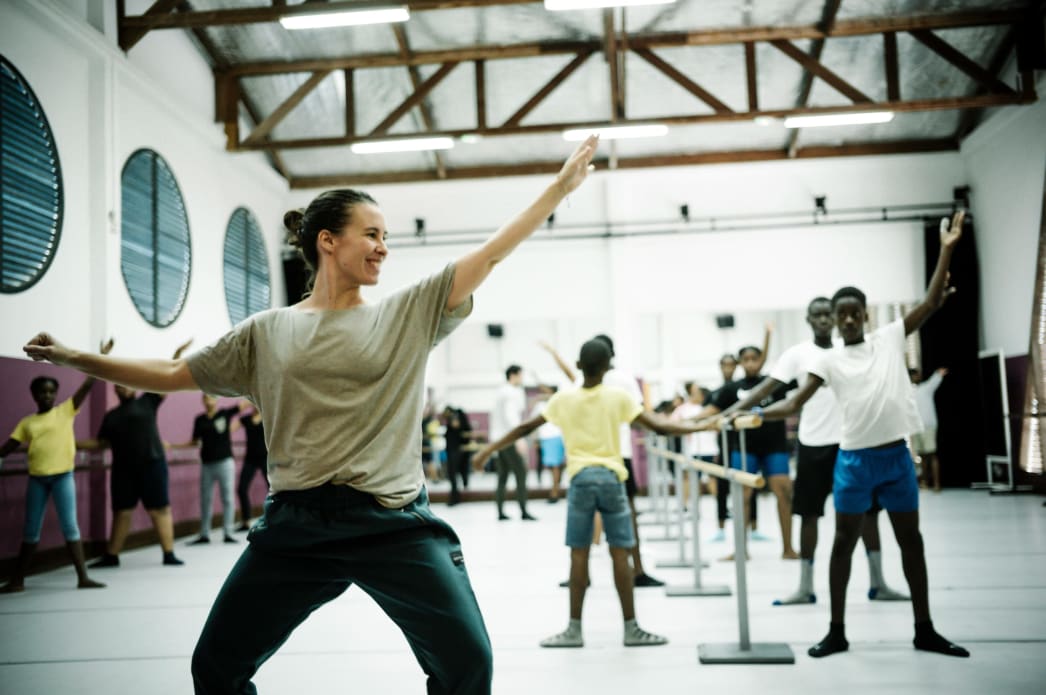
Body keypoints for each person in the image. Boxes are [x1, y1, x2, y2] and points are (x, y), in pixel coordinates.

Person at [21, 134, 599, 693]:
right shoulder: (269, 332)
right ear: (327, 241)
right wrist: (76, 358)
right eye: (370, 234)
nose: (383, 246)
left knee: (469, 662)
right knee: (214, 666)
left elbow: (492, 253)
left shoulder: (406, 313)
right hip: (298, 525)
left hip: (393, 523)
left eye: (386, 236)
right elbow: (174, 376)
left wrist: (556, 188)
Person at [733, 212, 970, 659]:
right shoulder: (828, 360)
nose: (845, 320)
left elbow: (933, 300)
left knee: (910, 541)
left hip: (896, 458)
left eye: (852, 313)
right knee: (842, 542)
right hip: (854, 462)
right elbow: (792, 403)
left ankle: (925, 628)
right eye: (839, 315)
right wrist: (751, 414)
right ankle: (836, 631)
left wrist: (947, 248)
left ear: (864, 314)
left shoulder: (889, 337)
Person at [472, 339, 717, 648]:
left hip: (580, 481)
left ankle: (573, 630)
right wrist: (703, 426)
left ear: (577, 366)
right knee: (620, 553)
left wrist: (487, 450)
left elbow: (523, 429)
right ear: (607, 367)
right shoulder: (619, 397)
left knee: (578, 553)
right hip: (612, 480)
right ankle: (632, 628)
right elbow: (660, 426)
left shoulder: (563, 399)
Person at [722, 298, 906, 604]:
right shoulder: (798, 354)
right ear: (808, 319)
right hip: (813, 446)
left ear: (834, 319)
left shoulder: (847, 349)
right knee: (809, 515)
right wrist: (728, 413)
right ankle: (806, 587)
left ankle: (878, 582)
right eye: (817, 315)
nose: (823, 320)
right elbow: (764, 390)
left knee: (868, 514)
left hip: (851, 443)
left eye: (827, 315)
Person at [541, 336, 663, 587]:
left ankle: (583, 575)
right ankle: (636, 569)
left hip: (597, 458)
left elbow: (572, 379)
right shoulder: (623, 379)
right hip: (618, 456)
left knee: (583, 523)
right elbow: (641, 416)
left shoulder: (589, 379)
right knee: (627, 516)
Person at [0, 339, 113, 592]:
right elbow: (7, 447)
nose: (47, 395)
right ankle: (17, 581)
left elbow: (87, 385)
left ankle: (83, 577)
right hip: (37, 479)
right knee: (30, 529)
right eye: (43, 392)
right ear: (34, 395)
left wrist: (102, 357)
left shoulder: (65, 411)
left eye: (51, 391)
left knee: (70, 526)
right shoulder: (27, 423)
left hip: (63, 477)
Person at [83, 338, 194, 568]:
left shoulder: (148, 402)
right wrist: (69, 443)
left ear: (133, 385)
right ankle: (112, 556)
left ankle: (169, 553)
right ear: (114, 388)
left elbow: (167, 378)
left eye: (125, 383)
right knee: (122, 512)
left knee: (159, 509)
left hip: (152, 464)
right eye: (118, 385)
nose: (122, 387)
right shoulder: (111, 416)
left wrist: (176, 353)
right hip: (123, 470)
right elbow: (100, 443)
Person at [700, 344, 799, 560]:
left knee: (783, 493)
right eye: (746, 359)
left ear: (761, 360)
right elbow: (712, 412)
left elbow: (798, 392)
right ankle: (740, 550)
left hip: (775, 447)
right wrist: (686, 423)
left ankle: (788, 548)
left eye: (755, 359)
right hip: (745, 448)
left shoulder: (774, 384)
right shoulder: (732, 388)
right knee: (741, 497)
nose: (751, 363)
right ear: (740, 363)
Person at [181, 395, 243, 545]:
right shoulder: (199, 419)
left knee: (227, 498)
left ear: (216, 400)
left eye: (212, 398)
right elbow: (194, 441)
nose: (209, 402)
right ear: (203, 400)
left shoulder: (224, 414)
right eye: (206, 399)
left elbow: (243, 405)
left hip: (225, 462)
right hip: (207, 464)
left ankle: (228, 532)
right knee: (205, 500)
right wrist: (172, 447)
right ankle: (204, 534)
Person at [489, 365, 535, 521]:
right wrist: (519, 439)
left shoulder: (501, 391)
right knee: (521, 473)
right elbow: (511, 418)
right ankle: (523, 510)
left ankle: (500, 512)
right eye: (521, 375)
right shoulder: (511, 392)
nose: (522, 378)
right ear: (513, 375)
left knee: (502, 476)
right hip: (509, 439)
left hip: (499, 440)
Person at [910, 367, 947, 492]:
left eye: (916, 375)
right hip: (916, 427)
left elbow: (934, 379)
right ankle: (925, 482)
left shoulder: (926, 388)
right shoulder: (908, 392)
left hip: (928, 426)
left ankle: (937, 483)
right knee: (923, 456)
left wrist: (939, 373)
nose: (915, 378)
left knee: (931, 455)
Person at [236, 399, 268, 531]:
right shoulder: (246, 419)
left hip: (266, 458)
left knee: (274, 489)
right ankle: (246, 520)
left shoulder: (268, 417)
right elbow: (227, 429)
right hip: (250, 459)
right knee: (241, 488)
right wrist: (240, 408)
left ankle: (272, 517)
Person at [530, 385, 566, 503]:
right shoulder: (541, 405)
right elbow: (533, 422)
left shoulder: (559, 402)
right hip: (545, 438)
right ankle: (555, 489)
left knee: (556, 466)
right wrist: (536, 440)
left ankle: (554, 492)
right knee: (552, 466)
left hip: (555, 436)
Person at [442, 405, 473, 506]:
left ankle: (455, 497)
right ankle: (455, 496)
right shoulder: (457, 415)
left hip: (455, 449)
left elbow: (456, 425)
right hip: (455, 448)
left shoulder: (455, 416)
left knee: (453, 473)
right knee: (454, 474)